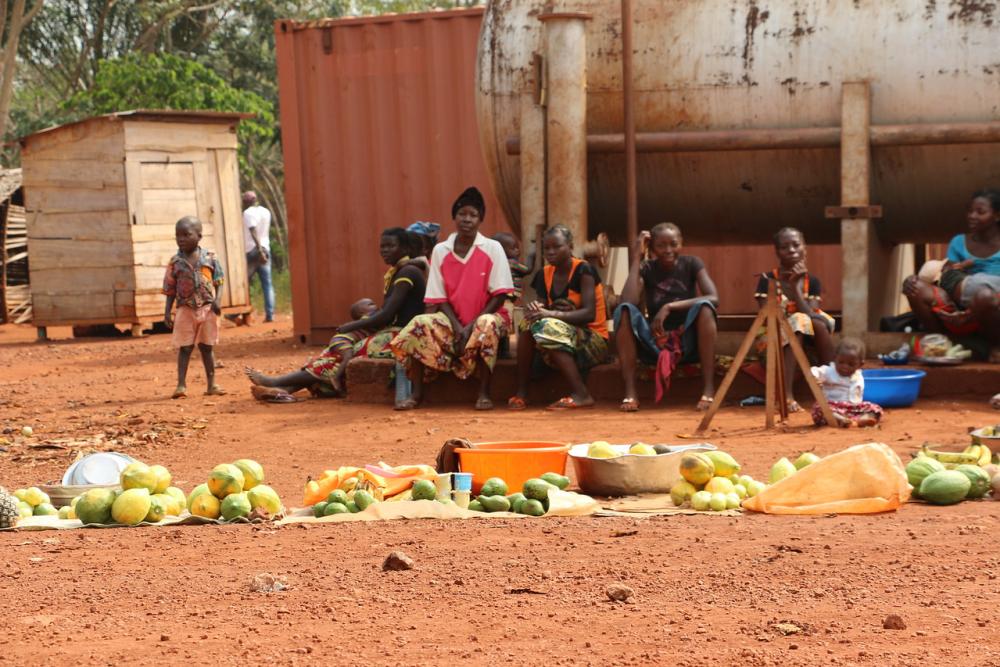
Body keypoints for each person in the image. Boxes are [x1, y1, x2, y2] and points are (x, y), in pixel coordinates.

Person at [245, 228, 426, 399]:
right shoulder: (398, 271)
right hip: (392, 332)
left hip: (401, 336)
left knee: (342, 355)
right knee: (333, 350)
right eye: (382, 246)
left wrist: (352, 325)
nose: (385, 251)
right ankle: (285, 388)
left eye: (390, 246)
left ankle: (277, 382)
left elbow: (387, 315)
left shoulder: (407, 272)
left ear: (405, 248)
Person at [390, 187, 514, 410]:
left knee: (486, 324)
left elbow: (500, 295)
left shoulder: (492, 248)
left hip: (488, 315)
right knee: (419, 324)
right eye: (462, 214)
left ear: (480, 220)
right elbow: (438, 297)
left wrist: (471, 325)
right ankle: (417, 394)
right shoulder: (441, 250)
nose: (467, 219)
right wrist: (458, 326)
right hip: (452, 319)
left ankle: (484, 392)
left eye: (473, 215)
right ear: (454, 217)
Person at [614, 223, 719, 412]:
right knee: (624, 310)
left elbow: (714, 297)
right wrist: (637, 258)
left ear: (681, 243)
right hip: (656, 342)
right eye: (661, 245)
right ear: (652, 248)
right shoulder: (647, 268)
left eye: (673, 244)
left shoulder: (692, 263)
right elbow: (628, 300)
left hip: (687, 342)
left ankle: (709, 389)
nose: (668, 250)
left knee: (705, 307)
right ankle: (630, 392)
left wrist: (669, 306)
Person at [508, 225, 609, 410]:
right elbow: (541, 307)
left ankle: (582, 394)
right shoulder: (544, 273)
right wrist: (535, 309)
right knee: (526, 324)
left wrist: (549, 314)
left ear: (570, 246)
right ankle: (522, 392)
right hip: (562, 337)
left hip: (593, 340)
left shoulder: (584, 270)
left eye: (557, 246)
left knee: (547, 326)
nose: (551, 252)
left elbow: (589, 314)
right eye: (547, 248)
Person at [903, 189, 1000, 348]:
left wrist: (972, 311)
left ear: (997, 215)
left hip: (992, 307)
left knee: (984, 293)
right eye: (970, 211)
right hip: (959, 303)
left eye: (980, 212)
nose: (972, 216)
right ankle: (942, 345)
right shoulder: (958, 242)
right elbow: (949, 276)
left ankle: (996, 347)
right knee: (915, 287)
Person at [754, 227, 835, 412]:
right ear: (777, 252)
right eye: (785, 247)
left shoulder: (811, 281)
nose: (791, 250)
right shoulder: (767, 279)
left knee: (811, 321)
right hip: (773, 340)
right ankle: (787, 395)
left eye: (796, 245)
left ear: (804, 248)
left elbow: (812, 316)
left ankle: (835, 386)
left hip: (807, 343)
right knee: (798, 322)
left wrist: (796, 287)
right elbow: (767, 317)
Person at [163, 216, 225, 399]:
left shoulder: (210, 258)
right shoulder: (175, 262)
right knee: (185, 347)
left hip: (207, 308)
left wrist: (218, 300)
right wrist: (168, 311)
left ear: (199, 236)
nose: (181, 239)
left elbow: (219, 281)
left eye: (186, 234)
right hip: (185, 309)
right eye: (177, 235)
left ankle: (212, 384)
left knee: (207, 347)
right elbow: (170, 289)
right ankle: (181, 385)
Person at [810, 337, 882, 428]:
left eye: (851, 364)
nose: (845, 367)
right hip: (832, 407)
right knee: (819, 408)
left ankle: (862, 420)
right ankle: (839, 419)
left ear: (860, 364)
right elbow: (814, 371)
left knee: (874, 408)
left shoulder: (858, 376)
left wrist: (857, 407)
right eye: (841, 362)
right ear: (835, 358)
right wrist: (815, 379)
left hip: (852, 409)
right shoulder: (829, 371)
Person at [243, 191, 274, 322]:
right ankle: (270, 315)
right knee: (267, 283)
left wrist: (260, 251)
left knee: (244, 282)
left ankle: (238, 313)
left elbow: (253, 230)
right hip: (266, 248)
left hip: (254, 250)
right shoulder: (266, 211)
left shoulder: (248, 213)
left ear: (246, 201)